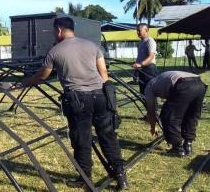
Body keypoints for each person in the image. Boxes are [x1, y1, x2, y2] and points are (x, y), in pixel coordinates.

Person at [23, 17, 128, 190]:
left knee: (81, 139)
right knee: (108, 136)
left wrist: (25, 82)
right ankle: (120, 174)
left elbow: (43, 76)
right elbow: (104, 73)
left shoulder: (55, 51)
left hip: (79, 100)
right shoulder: (93, 46)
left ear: (59, 30)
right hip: (100, 96)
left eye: (53, 31)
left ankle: (85, 178)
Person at [145, 71, 207, 157]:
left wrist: (152, 127)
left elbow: (151, 110)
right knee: (191, 115)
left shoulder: (149, 87)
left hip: (184, 84)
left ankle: (177, 148)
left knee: (168, 116)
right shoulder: (160, 80)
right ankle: (187, 145)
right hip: (200, 84)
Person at [133, 23, 158, 96]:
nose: (137, 32)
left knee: (150, 93)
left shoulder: (150, 41)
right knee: (143, 93)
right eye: (137, 31)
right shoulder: (140, 42)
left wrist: (140, 64)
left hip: (149, 70)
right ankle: (147, 107)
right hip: (141, 70)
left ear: (146, 30)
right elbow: (139, 57)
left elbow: (151, 57)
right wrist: (135, 71)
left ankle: (152, 107)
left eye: (139, 31)